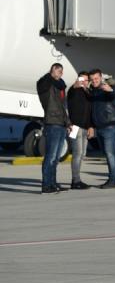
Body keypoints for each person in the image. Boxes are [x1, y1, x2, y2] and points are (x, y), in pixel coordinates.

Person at [37, 63, 70, 194]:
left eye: (62, 71)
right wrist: (51, 75)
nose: (60, 73)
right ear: (52, 70)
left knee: (56, 158)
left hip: (61, 124)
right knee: (50, 157)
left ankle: (53, 183)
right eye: (58, 71)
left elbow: (62, 107)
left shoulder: (60, 86)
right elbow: (42, 83)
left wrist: (67, 123)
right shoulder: (45, 84)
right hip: (52, 123)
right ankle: (46, 185)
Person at [89, 69, 115, 189]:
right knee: (107, 154)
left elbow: (114, 94)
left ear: (101, 77)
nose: (94, 81)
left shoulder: (107, 88)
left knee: (110, 154)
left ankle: (113, 181)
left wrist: (111, 90)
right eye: (92, 80)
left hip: (110, 126)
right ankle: (112, 178)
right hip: (101, 127)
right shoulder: (94, 91)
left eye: (96, 79)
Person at [66, 71, 93, 190]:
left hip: (85, 127)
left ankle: (77, 179)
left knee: (82, 154)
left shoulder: (88, 93)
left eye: (87, 80)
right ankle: (75, 181)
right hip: (74, 127)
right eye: (82, 80)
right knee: (77, 154)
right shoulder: (74, 91)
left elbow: (89, 112)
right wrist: (74, 85)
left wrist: (91, 126)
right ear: (78, 80)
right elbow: (70, 92)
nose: (85, 82)